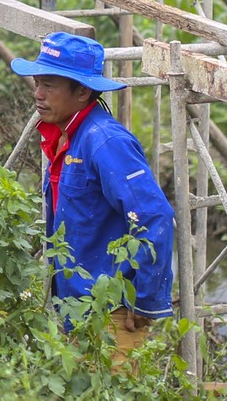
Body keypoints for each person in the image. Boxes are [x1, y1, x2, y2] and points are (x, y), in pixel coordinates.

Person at [13, 31, 175, 363]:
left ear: (83, 91)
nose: (38, 95)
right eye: (37, 83)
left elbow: (155, 216)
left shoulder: (104, 141)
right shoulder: (67, 138)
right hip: (77, 308)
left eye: (50, 86)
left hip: (110, 313)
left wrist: (145, 302)